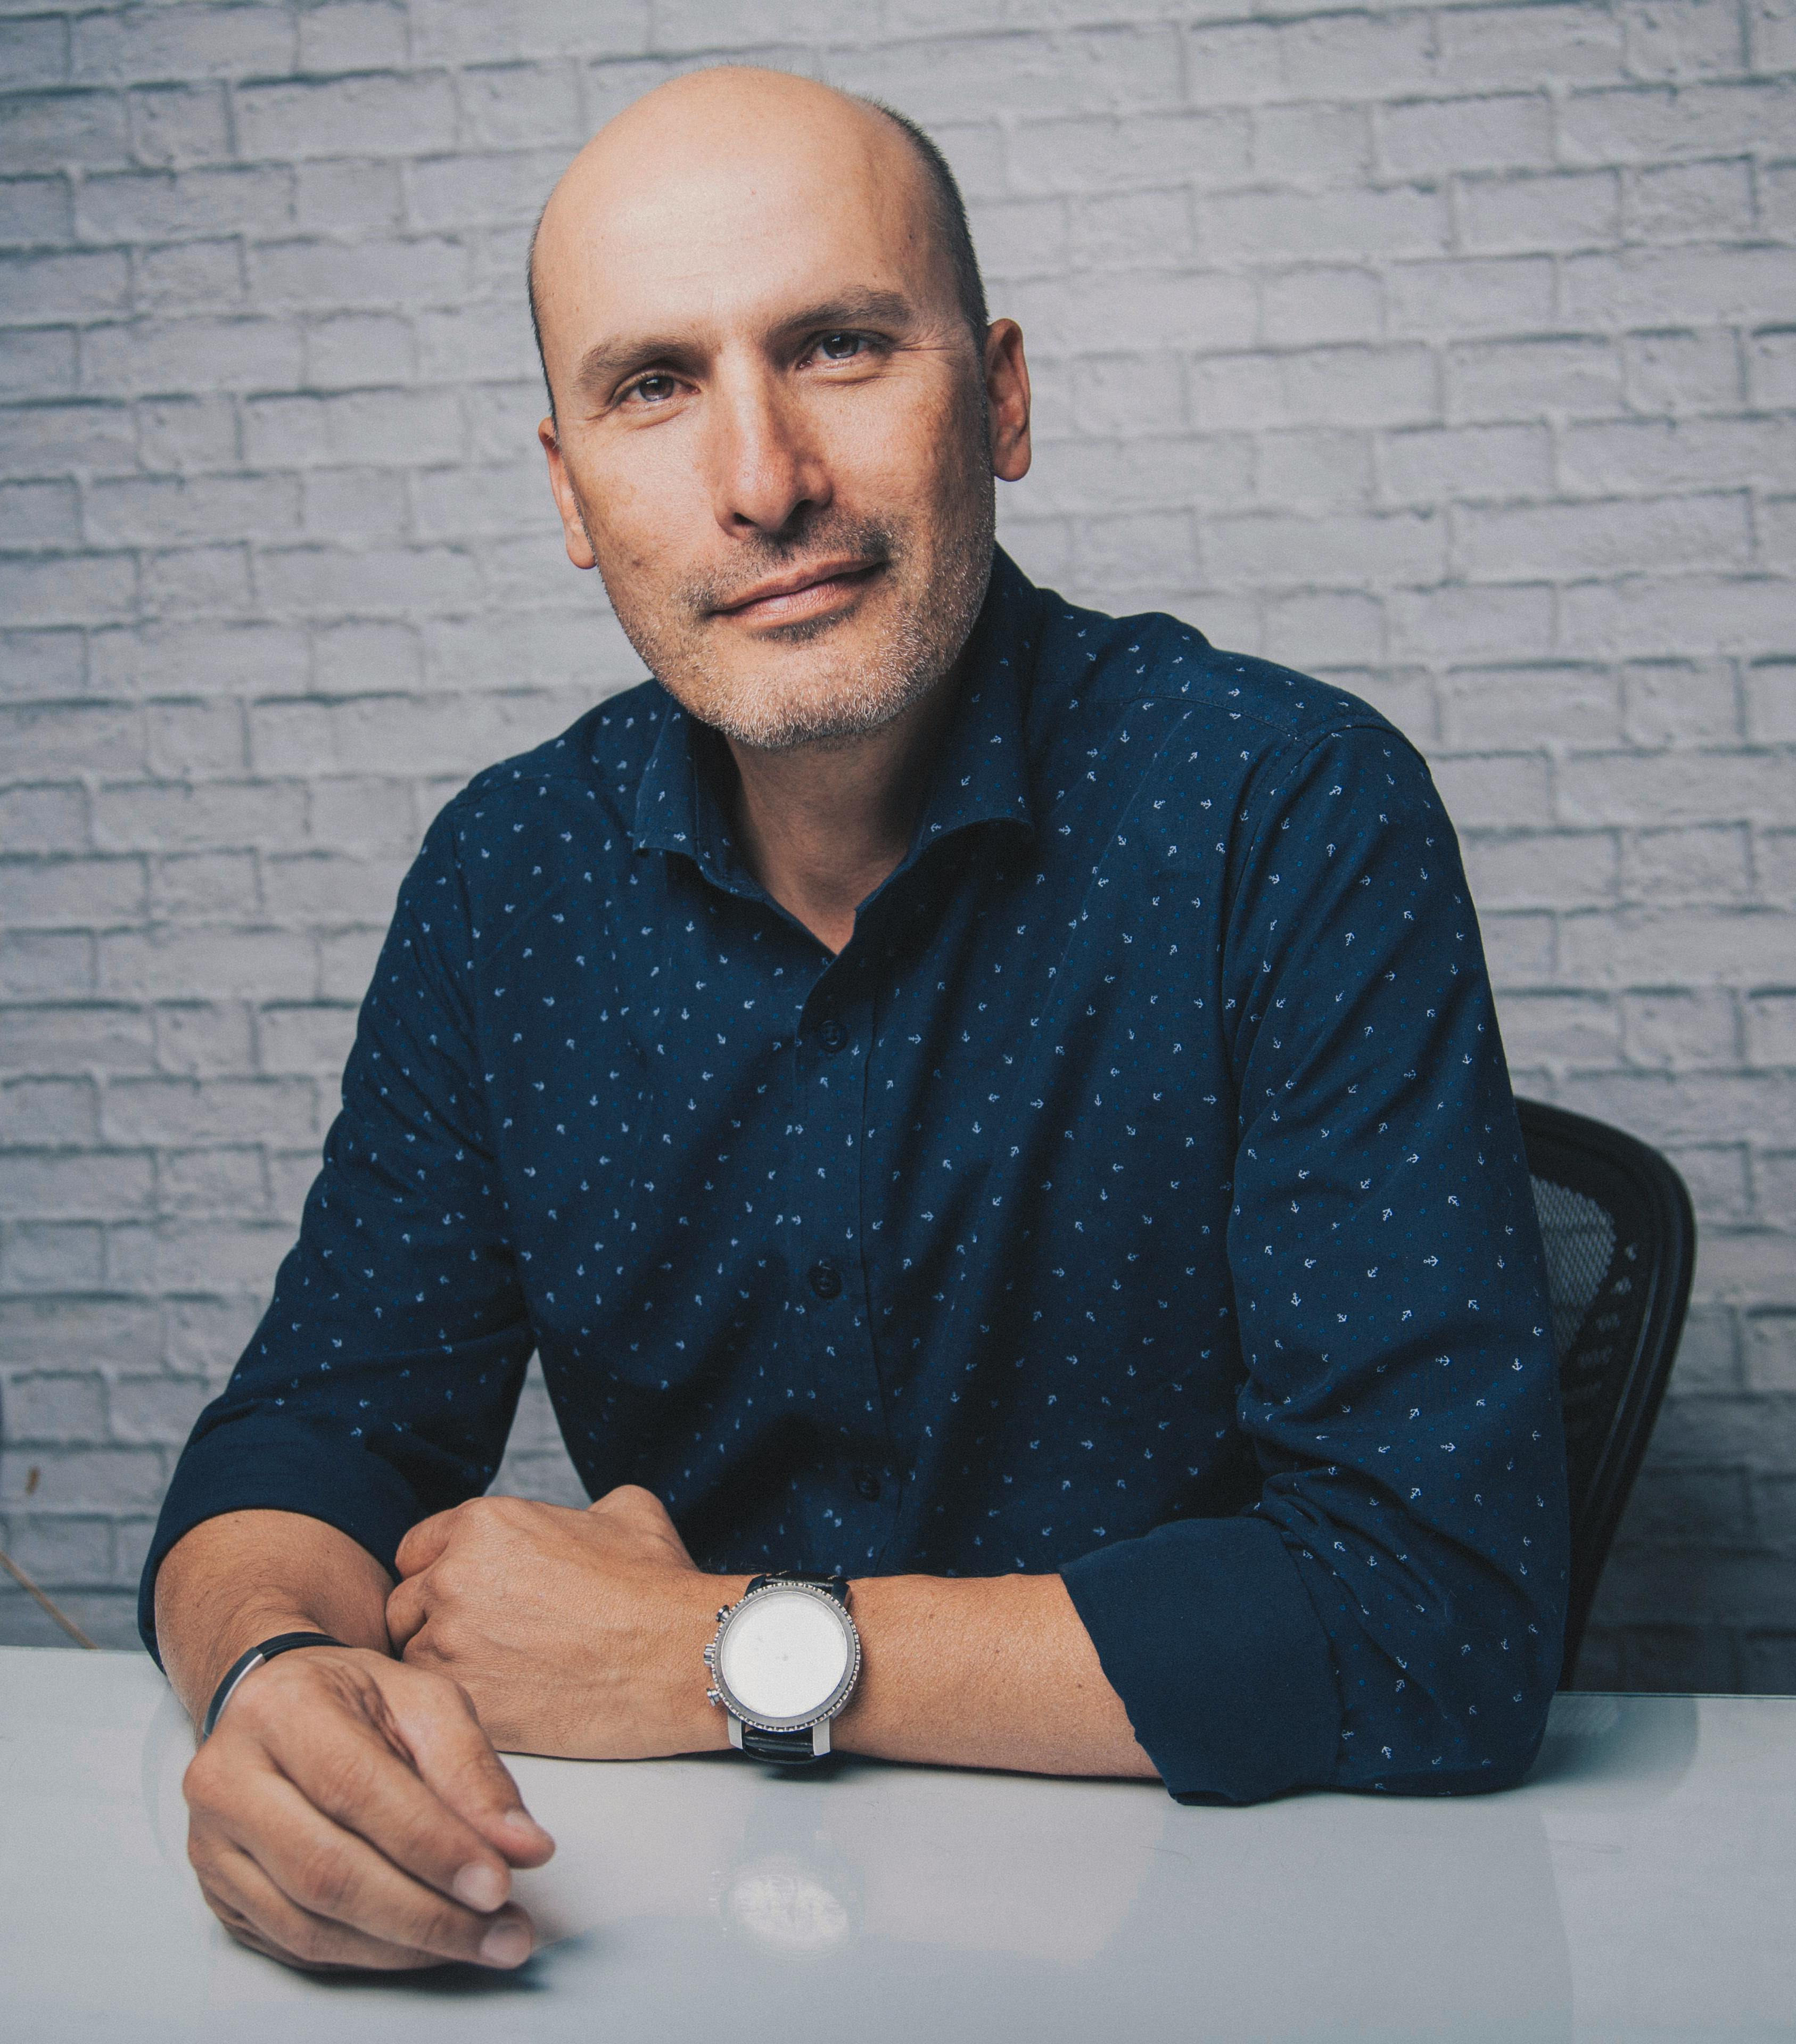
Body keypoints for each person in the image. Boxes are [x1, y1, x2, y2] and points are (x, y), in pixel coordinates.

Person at [144, 66, 1568, 1975]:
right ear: (569, 492)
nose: (762, 481)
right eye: (655, 385)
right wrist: (277, 1675)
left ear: (1003, 397)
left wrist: (717, 1647)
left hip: (1240, 1947)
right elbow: (314, 1434)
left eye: (836, 346)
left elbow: (1441, 1618)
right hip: (701, 1946)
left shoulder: (1286, 808)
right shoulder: (506, 880)